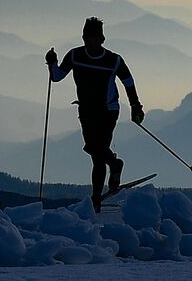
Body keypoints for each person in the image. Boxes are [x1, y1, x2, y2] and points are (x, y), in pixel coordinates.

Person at [45, 17, 144, 210]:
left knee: (97, 154)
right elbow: (56, 77)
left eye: (93, 38)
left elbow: (128, 82)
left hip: (108, 111)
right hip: (86, 110)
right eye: (86, 37)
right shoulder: (74, 56)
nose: (89, 42)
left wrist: (136, 107)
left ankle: (96, 197)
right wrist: (52, 62)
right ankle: (114, 165)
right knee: (94, 150)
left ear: (102, 39)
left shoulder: (113, 60)